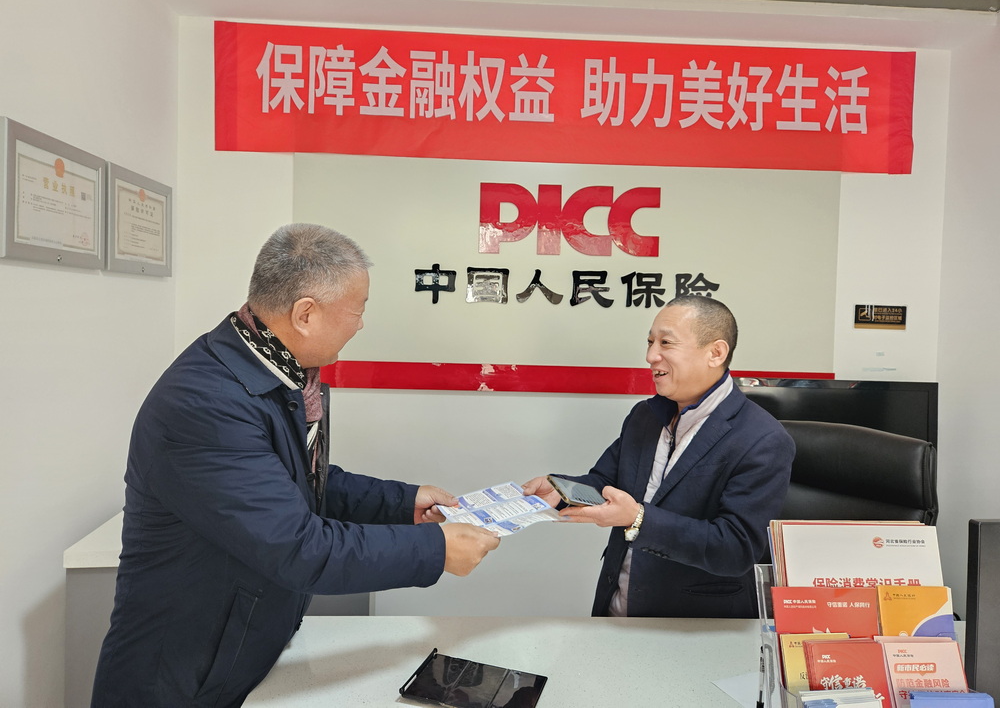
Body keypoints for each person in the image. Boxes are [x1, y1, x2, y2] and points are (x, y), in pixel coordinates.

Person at [91, 224, 500, 707]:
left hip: (239, 652)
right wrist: (435, 549)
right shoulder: (206, 403)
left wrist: (401, 501)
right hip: (179, 678)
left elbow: (296, 482)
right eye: (358, 310)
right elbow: (299, 548)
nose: (360, 325)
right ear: (305, 314)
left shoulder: (277, 371)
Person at [524, 295, 794, 618]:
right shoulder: (645, 416)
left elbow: (736, 548)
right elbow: (604, 482)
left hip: (695, 628)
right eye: (650, 342)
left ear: (716, 353)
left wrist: (638, 519)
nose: (651, 356)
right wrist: (561, 490)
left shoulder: (763, 439)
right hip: (618, 612)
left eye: (666, 343)